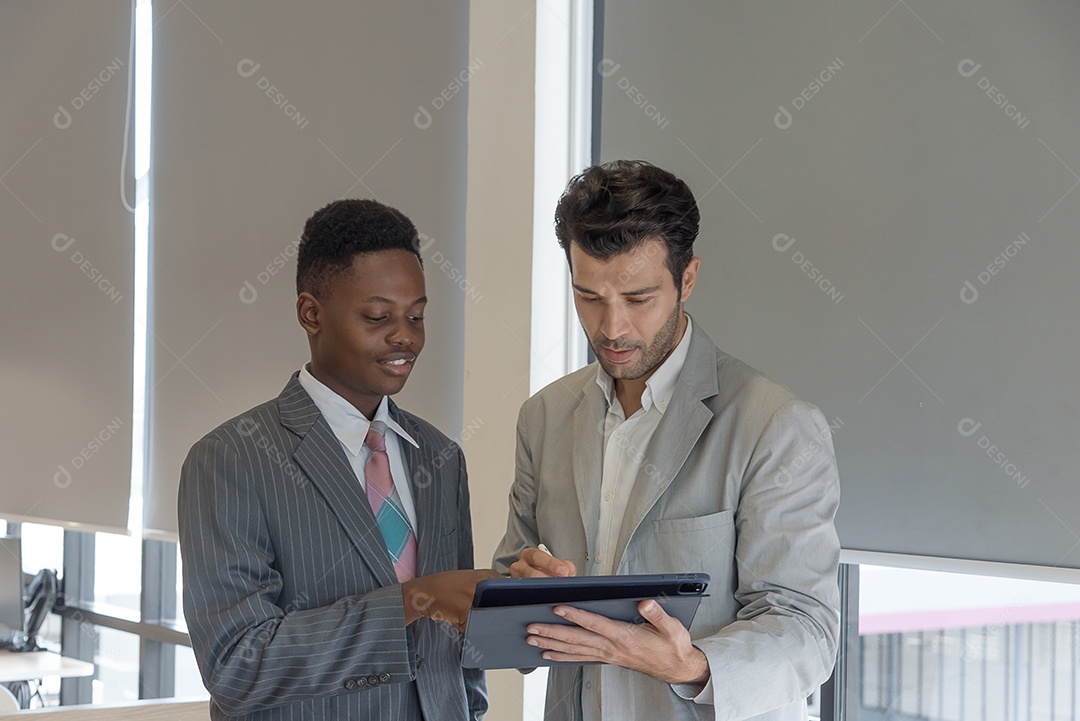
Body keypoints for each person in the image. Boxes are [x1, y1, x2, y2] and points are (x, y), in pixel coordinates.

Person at [493, 160, 841, 721]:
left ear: (688, 279)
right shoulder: (544, 416)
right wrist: (520, 588)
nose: (612, 328)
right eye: (588, 297)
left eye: (638, 298)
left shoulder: (775, 424)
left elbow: (807, 628)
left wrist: (694, 664)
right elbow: (509, 587)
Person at [179, 199, 496, 721]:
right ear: (311, 313)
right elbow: (237, 666)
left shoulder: (440, 456)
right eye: (378, 316)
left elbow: (459, 659)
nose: (406, 337)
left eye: (416, 315)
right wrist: (413, 600)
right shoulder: (230, 460)